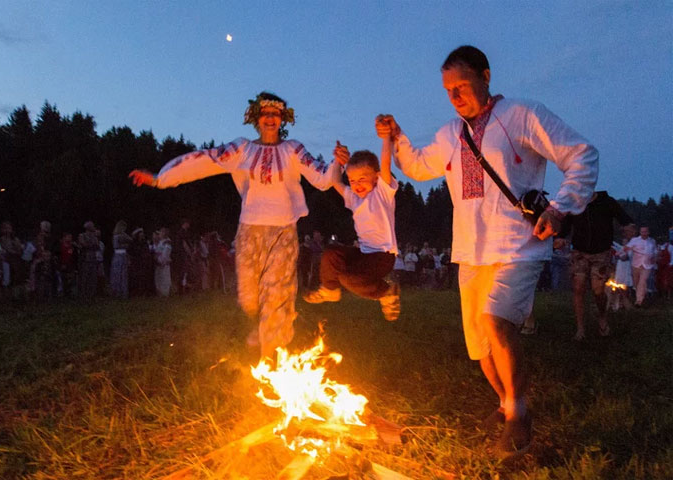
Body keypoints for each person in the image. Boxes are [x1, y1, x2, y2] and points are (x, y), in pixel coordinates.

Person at [376, 45, 598, 458]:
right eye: (448, 90)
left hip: (518, 244)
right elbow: (420, 167)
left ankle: (519, 417)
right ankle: (505, 401)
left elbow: (581, 154)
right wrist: (397, 136)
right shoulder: (450, 134)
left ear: (486, 76)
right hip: (471, 249)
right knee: (480, 346)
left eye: (462, 85)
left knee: (498, 324)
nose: (455, 95)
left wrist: (559, 206)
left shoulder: (522, 115)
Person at [129, 91, 335, 359]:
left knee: (277, 294)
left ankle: (270, 354)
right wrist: (161, 178)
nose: (270, 119)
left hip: (283, 231)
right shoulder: (242, 149)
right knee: (249, 298)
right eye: (265, 114)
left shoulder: (293, 149)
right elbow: (203, 161)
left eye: (275, 114)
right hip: (249, 231)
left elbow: (321, 177)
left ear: (282, 119)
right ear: (256, 118)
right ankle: (265, 330)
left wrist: (338, 163)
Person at [303, 139, 400, 321]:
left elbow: (385, 162)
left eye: (362, 179)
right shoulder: (354, 198)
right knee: (331, 253)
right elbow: (335, 181)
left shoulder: (382, 194)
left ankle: (386, 292)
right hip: (363, 254)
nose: (357, 184)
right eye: (353, 180)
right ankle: (330, 290)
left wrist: (386, 138)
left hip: (382, 256)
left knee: (349, 279)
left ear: (377, 177)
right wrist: (339, 161)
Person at [559, 191, 634, 340]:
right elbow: (566, 226)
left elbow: (624, 219)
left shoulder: (606, 201)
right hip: (579, 252)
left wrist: (629, 227)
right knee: (578, 287)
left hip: (601, 252)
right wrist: (560, 238)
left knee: (598, 290)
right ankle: (580, 328)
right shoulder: (574, 203)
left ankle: (602, 316)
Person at [626, 226, 657, 307]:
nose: (644, 233)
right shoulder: (635, 240)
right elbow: (627, 247)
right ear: (640, 232)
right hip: (636, 264)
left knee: (642, 281)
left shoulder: (652, 241)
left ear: (648, 232)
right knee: (636, 282)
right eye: (642, 232)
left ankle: (638, 301)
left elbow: (655, 251)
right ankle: (643, 294)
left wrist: (655, 258)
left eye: (645, 232)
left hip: (647, 265)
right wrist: (621, 253)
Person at [110, 220, 133, 298]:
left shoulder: (122, 235)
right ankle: (117, 292)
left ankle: (123, 293)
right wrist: (125, 245)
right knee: (118, 274)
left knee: (123, 274)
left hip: (122, 255)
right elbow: (116, 246)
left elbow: (130, 240)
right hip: (119, 255)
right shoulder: (116, 236)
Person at [77, 221, 99, 301]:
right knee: (84, 278)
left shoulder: (95, 237)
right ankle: (83, 296)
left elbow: (97, 246)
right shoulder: (82, 235)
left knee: (92, 278)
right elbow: (84, 245)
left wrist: (89, 245)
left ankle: (91, 296)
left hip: (93, 259)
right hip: (85, 259)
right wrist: (90, 245)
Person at [154, 228, 173, 296]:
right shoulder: (160, 242)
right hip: (158, 262)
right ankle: (159, 292)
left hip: (163, 263)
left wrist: (161, 261)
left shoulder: (167, 242)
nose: (159, 234)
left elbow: (166, 253)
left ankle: (165, 293)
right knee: (159, 278)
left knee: (165, 279)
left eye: (161, 233)